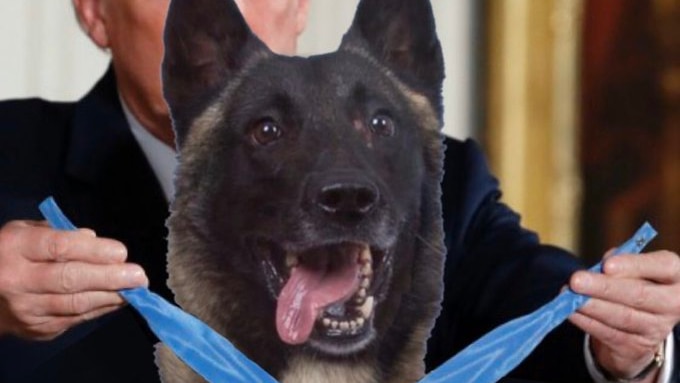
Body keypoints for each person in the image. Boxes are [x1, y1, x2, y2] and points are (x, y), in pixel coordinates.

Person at [0, 0, 678, 382]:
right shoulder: (11, 158)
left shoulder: (427, 181)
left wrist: (628, 350)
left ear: (298, 6)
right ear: (94, 12)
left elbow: (552, 311)